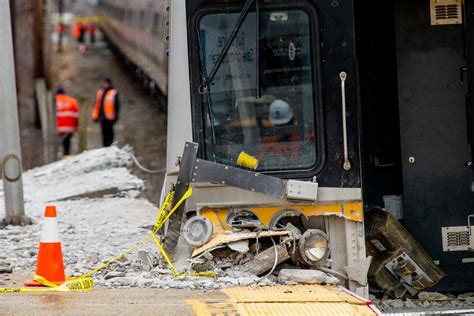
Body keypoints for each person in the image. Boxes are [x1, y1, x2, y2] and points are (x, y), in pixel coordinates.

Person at [92, 78, 120, 147]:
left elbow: (116, 106)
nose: (105, 85)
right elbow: (97, 105)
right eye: (104, 83)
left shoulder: (113, 92)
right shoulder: (100, 92)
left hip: (110, 117)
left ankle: (110, 145)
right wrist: (95, 116)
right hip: (102, 117)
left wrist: (116, 116)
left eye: (106, 83)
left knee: (109, 132)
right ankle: (105, 146)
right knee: (104, 133)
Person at [55, 87, 79, 156]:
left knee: (57, 143)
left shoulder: (54, 100)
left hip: (58, 127)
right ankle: (66, 155)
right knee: (67, 142)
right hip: (69, 127)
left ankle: (57, 156)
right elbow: (76, 115)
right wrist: (76, 126)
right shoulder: (72, 101)